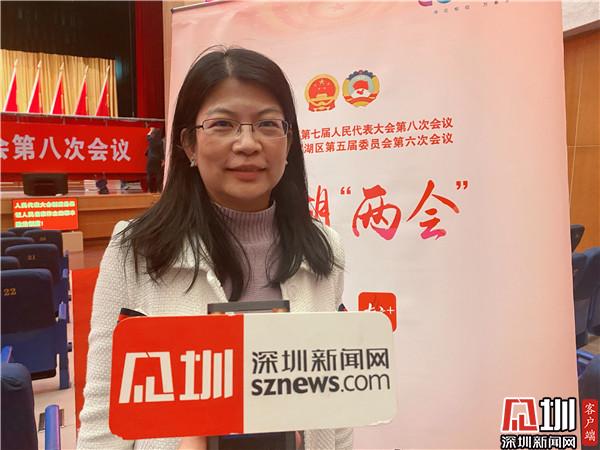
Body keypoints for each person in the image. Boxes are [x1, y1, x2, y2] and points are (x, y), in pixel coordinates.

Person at [77, 46, 352, 450]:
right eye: (223, 124)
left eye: (268, 124)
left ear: (289, 142)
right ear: (188, 144)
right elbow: (104, 418)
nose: (248, 143)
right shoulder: (135, 249)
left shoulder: (324, 249)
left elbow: (338, 410)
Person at [145, 127, 165, 193]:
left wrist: (151, 130)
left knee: (149, 175)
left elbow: (147, 136)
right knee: (158, 175)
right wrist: (163, 160)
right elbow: (161, 152)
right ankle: (159, 189)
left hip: (150, 159)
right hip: (157, 159)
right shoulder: (160, 142)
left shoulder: (150, 140)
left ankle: (150, 189)